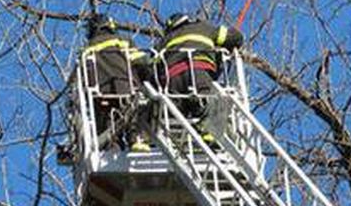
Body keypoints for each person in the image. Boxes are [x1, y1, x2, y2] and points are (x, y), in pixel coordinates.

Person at [155, 13, 244, 142]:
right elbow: (234, 37)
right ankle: (209, 132)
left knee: (175, 114)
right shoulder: (204, 28)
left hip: (172, 80)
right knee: (210, 101)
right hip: (198, 71)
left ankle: (176, 138)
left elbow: (152, 66)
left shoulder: (164, 41)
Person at [80, 14, 151, 151]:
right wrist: (149, 79)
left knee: (106, 128)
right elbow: (140, 63)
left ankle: (111, 147)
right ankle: (137, 139)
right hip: (126, 89)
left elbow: (83, 78)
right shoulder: (123, 41)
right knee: (134, 116)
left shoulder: (87, 50)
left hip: (99, 96)